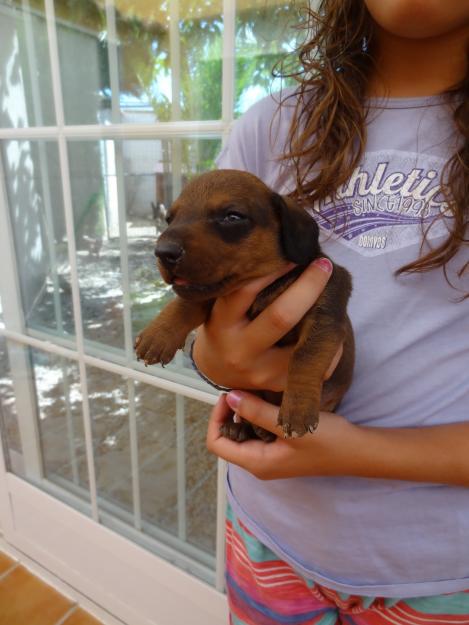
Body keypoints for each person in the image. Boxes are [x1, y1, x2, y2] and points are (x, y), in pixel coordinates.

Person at [193, 1, 469, 623]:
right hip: (268, 536)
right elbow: (209, 316)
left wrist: (356, 452)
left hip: (443, 578)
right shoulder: (271, 125)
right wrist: (215, 358)